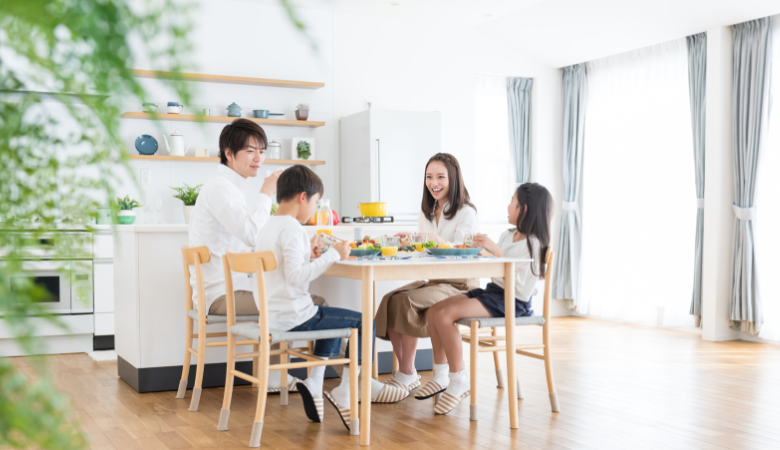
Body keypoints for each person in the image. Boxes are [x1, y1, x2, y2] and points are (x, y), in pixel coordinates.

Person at [254, 165, 409, 430]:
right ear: (303, 197)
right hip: (294, 315)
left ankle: (315, 382)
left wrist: (309, 254)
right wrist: (334, 254)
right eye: (315, 202)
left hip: (273, 313)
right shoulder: (292, 229)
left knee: (334, 318)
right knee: (363, 322)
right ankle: (347, 391)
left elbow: (285, 269)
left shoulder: (268, 227)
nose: (314, 209)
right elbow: (295, 277)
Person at [188, 118, 321, 393]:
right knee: (295, 300)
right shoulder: (220, 189)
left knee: (278, 292)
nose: (259, 158)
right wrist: (266, 192)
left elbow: (254, 241)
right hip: (223, 295)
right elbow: (252, 233)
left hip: (226, 289)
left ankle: (276, 377)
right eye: (251, 150)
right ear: (228, 153)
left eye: (262, 150)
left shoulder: (229, 188)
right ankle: (293, 380)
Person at [415, 182, 553, 415]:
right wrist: (480, 250)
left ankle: (458, 380)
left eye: (513, 201)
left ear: (525, 209)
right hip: (494, 292)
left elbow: (520, 286)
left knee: (446, 315)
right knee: (434, 310)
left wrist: (496, 252)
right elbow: (496, 271)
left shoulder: (535, 244)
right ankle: (441, 374)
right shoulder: (508, 236)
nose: (508, 205)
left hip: (513, 302)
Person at [374, 153, 480, 391]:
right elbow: (424, 248)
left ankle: (409, 373)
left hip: (460, 284)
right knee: (390, 300)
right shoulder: (428, 211)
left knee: (408, 300)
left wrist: (435, 239)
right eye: (429, 177)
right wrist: (409, 241)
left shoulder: (466, 212)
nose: (434, 183)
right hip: (435, 280)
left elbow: (467, 251)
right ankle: (407, 371)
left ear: (453, 179)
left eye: (440, 177)